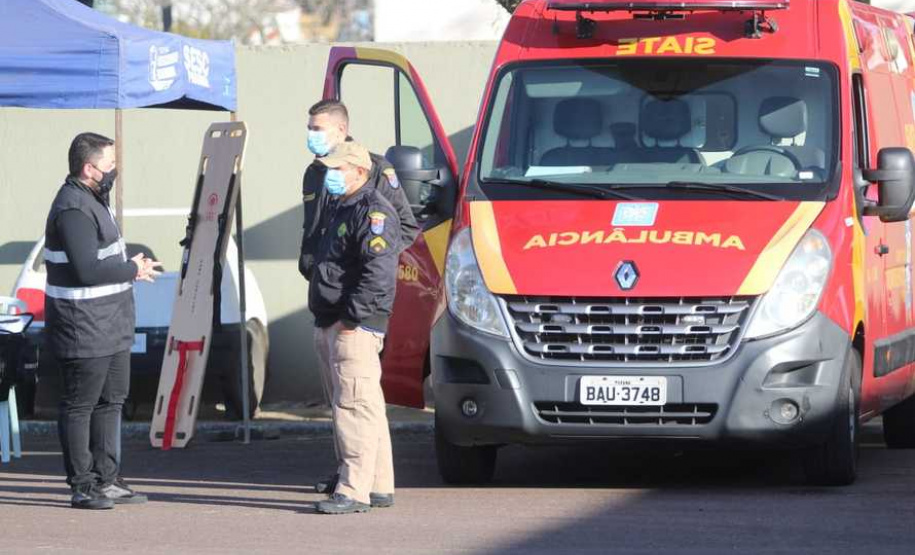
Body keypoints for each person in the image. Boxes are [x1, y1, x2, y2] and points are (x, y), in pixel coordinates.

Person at [45, 133, 161, 510]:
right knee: (80, 404)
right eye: (109, 165)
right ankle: (82, 485)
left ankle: (107, 479)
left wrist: (133, 269)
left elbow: (103, 261)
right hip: (83, 326)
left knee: (112, 400)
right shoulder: (73, 208)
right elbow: (86, 269)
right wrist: (131, 268)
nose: (114, 171)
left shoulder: (95, 198)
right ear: (88, 168)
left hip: (111, 323)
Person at [308, 142, 401, 515]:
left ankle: (354, 490)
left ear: (359, 172)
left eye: (337, 169)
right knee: (366, 406)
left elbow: (378, 275)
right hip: (334, 319)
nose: (329, 175)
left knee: (353, 406)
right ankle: (377, 485)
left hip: (353, 326)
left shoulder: (373, 211)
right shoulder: (343, 205)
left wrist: (351, 320)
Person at [298, 99, 418, 283]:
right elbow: (313, 227)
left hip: (356, 288)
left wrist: (368, 268)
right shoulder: (314, 172)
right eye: (309, 128)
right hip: (322, 284)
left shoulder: (373, 167)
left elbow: (406, 228)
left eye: (317, 129)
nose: (311, 135)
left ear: (341, 129)